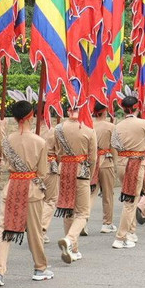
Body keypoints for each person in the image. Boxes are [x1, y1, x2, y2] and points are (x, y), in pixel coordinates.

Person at [0, 92, 51, 281]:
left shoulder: (8, 140)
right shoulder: (40, 142)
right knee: (35, 230)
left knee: (4, 229)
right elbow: (42, 171)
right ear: (31, 116)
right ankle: (40, 268)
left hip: (13, 185)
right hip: (32, 187)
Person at [52, 97, 98, 260]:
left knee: (67, 210)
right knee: (83, 212)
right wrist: (90, 174)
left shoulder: (57, 129)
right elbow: (93, 158)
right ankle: (70, 240)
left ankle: (73, 248)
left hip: (63, 170)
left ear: (67, 111)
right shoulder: (88, 129)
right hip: (81, 171)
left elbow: (51, 151)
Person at [112, 93, 145, 247]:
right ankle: (121, 237)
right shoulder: (142, 123)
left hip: (121, 162)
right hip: (136, 162)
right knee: (131, 201)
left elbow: (114, 144)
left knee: (131, 198)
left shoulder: (118, 126)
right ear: (136, 108)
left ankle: (131, 232)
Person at [92, 103, 117, 234]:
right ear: (105, 111)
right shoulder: (111, 127)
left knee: (89, 194)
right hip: (106, 161)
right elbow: (114, 147)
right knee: (108, 194)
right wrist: (115, 162)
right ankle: (107, 223)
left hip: (92, 162)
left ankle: (82, 222)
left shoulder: (89, 125)